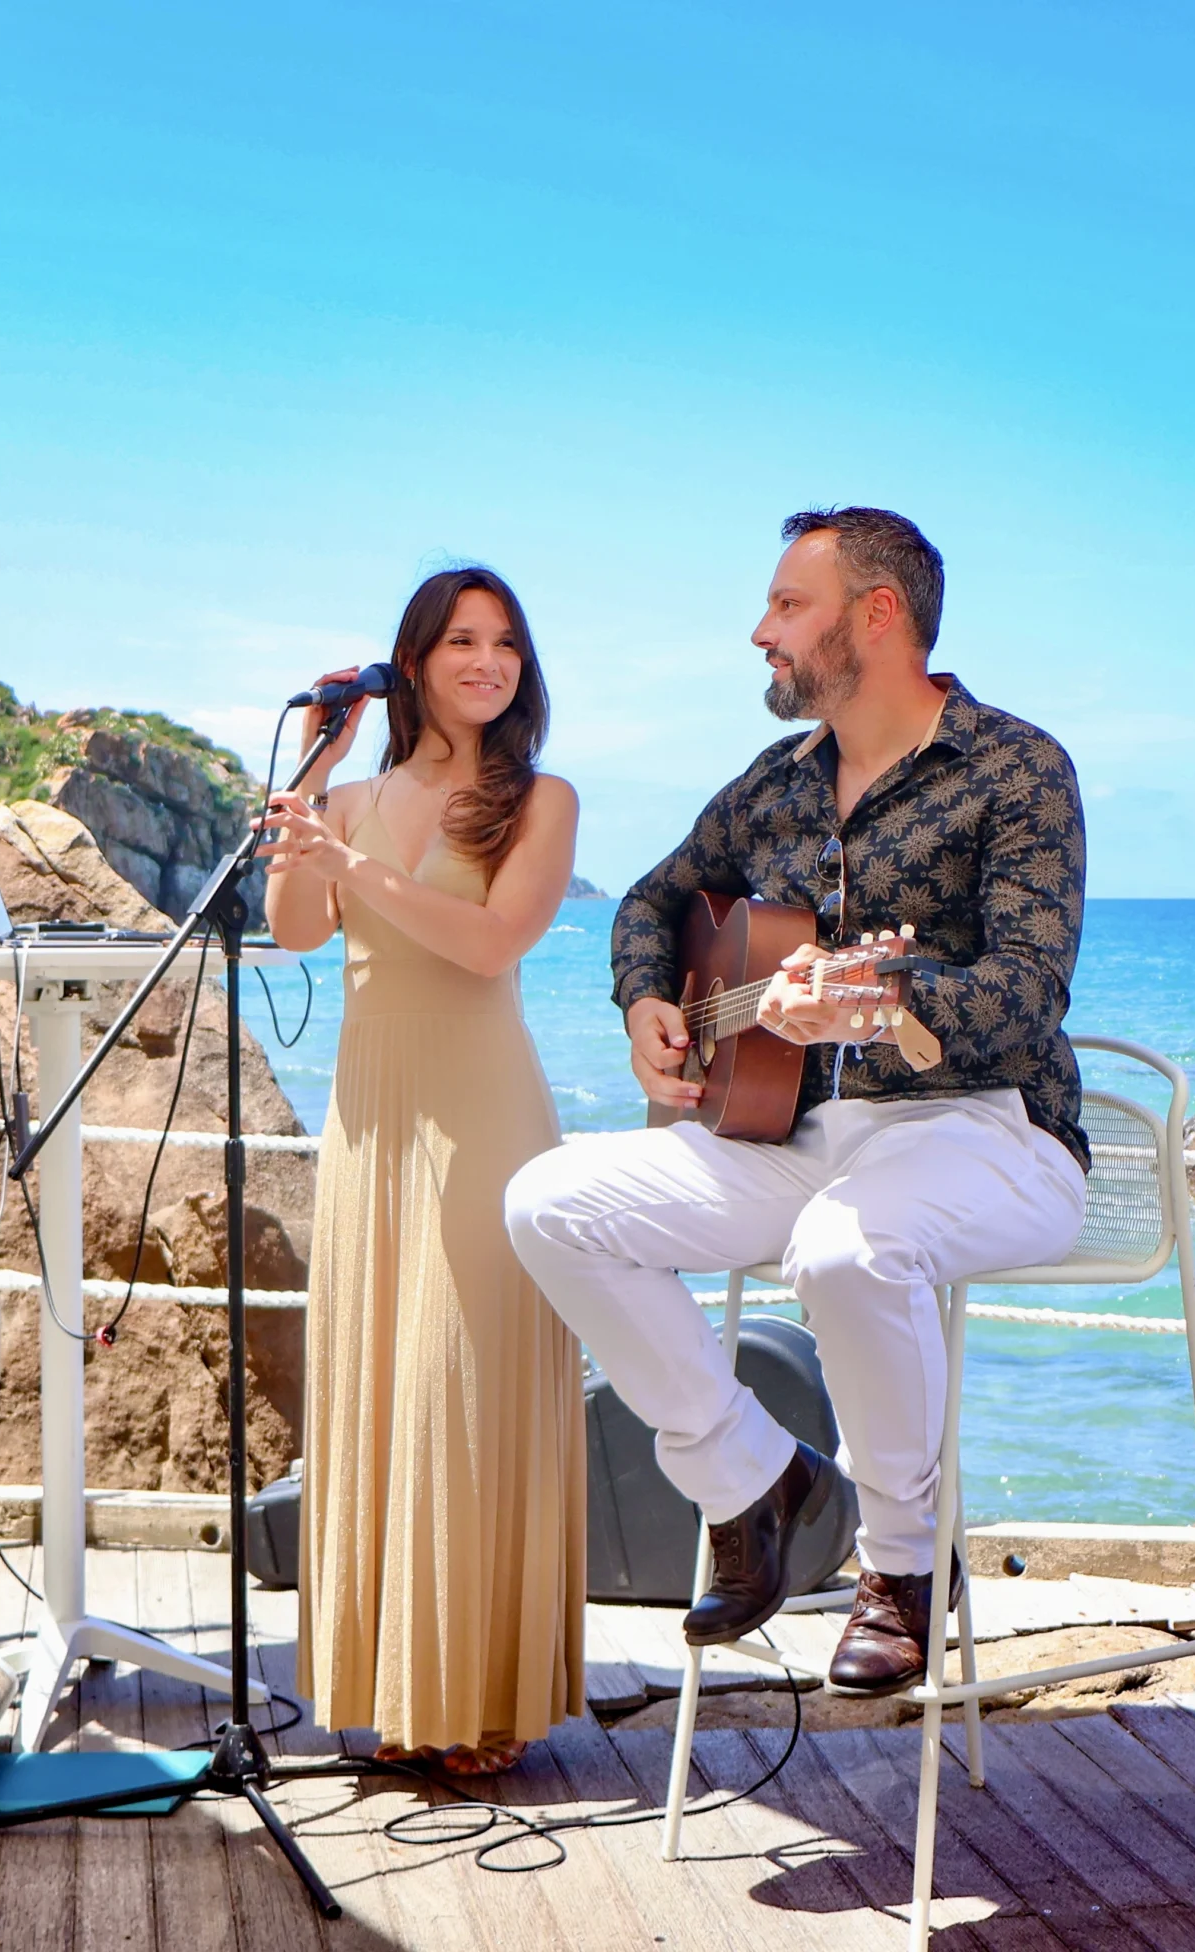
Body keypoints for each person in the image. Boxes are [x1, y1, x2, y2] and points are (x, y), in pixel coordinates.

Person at [505, 508, 1088, 1697]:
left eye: (786, 605)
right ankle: (754, 1481)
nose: (758, 630)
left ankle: (905, 1570)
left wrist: (886, 1000)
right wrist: (645, 1010)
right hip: (793, 1137)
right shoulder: (772, 784)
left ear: (877, 614)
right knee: (547, 1200)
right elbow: (653, 904)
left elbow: (1025, 996)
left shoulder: (1017, 769)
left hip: (985, 1130)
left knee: (843, 1252)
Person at [259, 565, 584, 1776]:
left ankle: (486, 1691)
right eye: (461, 640)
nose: (487, 662)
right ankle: (403, 1688)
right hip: (369, 1117)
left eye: (505, 642)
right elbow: (293, 929)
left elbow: (492, 937)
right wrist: (304, 774)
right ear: (414, 659)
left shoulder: (539, 799)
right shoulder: (343, 802)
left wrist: (362, 874)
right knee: (383, 1389)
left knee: (465, 1386)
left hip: (482, 1110)